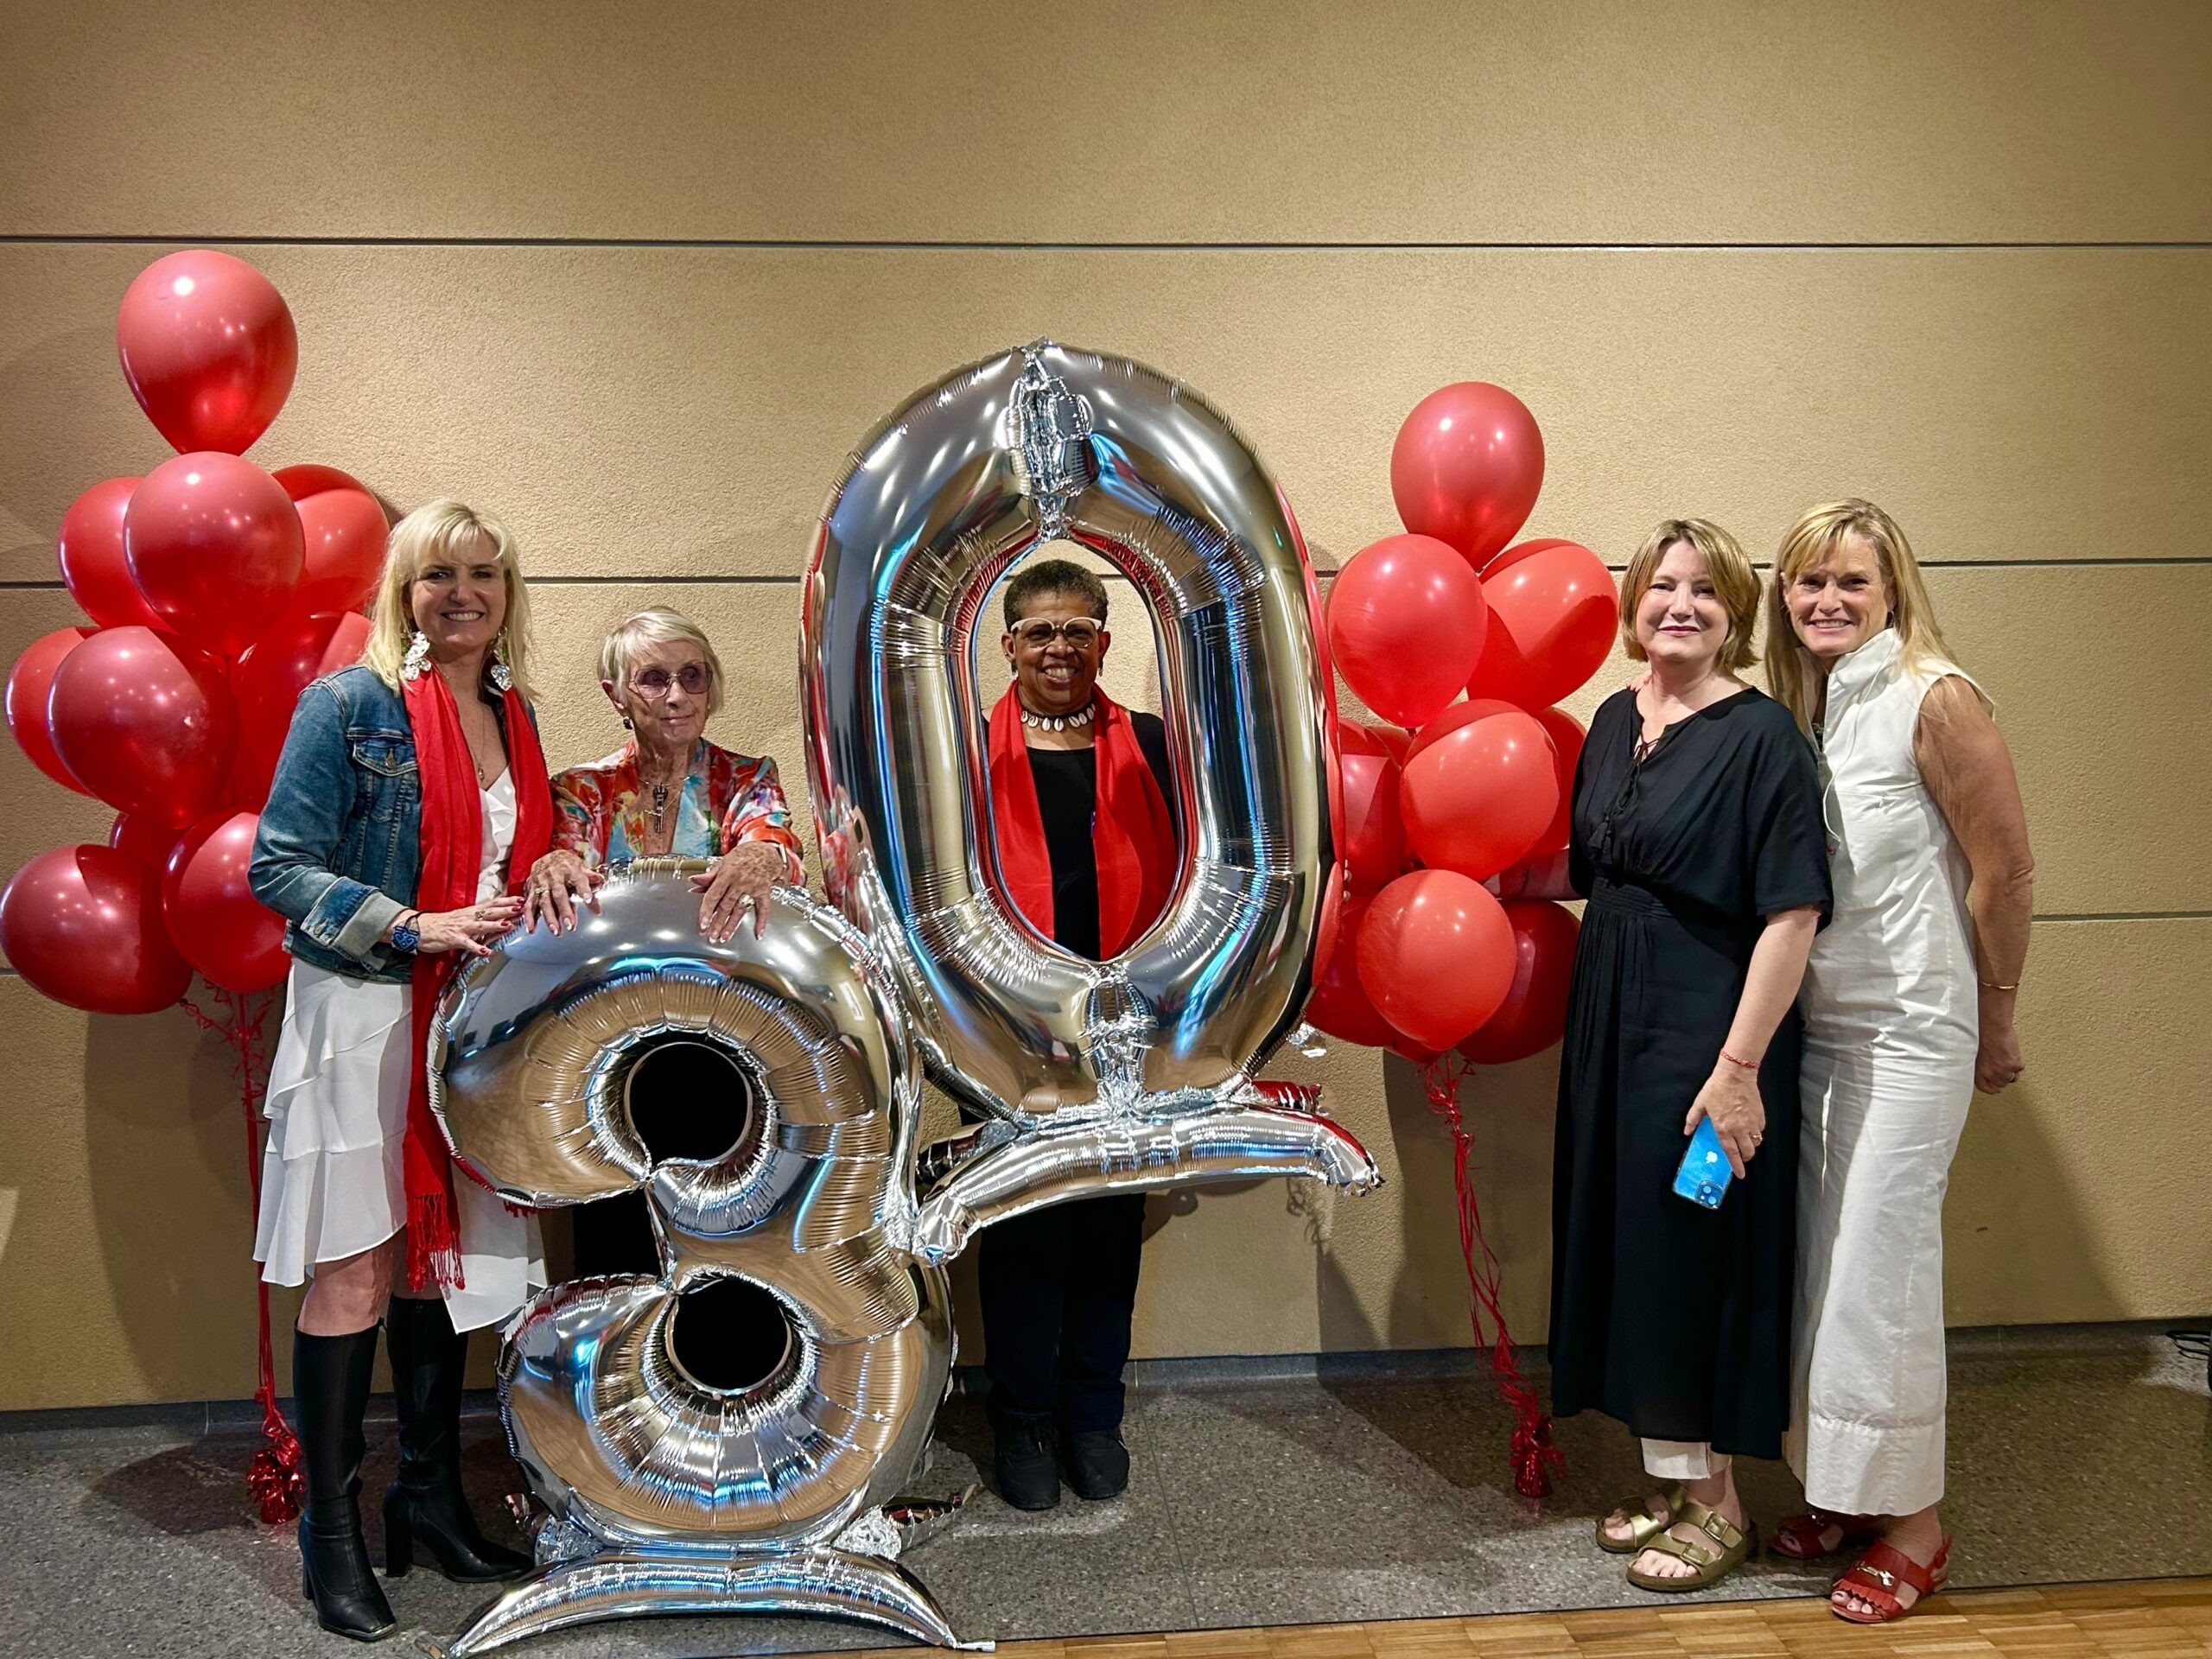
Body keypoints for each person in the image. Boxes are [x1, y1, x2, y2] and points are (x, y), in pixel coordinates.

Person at [250, 499, 553, 1641]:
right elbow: (277, 866)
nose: (462, 593)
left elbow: (513, 848)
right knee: (357, 1276)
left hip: (468, 1022)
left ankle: (428, 1499)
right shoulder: (349, 705)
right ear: (404, 590)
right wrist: (410, 925)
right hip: (366, 1013)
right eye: (438, 575)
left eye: (484, 573)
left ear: (509, 593)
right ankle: (332, 1538)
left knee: (442, 1270)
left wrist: (559, 845)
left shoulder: (512, 710)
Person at [1550, 518, 1830, 1593]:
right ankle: (1671, 1477)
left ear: (1736, 619)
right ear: (1634, 604)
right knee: (1628, 1241)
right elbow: (1587, 868)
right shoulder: (1616, 718)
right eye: (1662, 587)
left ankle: (1719, 1504)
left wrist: (1738, 1068)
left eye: (1706, 593)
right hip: (1611, 1027)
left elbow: (1794, 913)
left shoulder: (1763, 739)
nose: (1680, 606)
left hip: (1707, 1040)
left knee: (1690, 1237)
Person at [1766, 499, 2032, 1624]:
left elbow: (2005, 872)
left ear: (1894, 593)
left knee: (1880, 1280)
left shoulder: (1937, 697)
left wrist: (2000, 1014)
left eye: (1853, 583)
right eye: (1808, 582)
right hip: (1823, 1035)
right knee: (1822, 1275)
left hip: (1916, 1034)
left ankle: (1917, 1523)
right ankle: (1848, 1488)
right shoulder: (1810, 710)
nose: (1829, 600)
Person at [979, 557, 1178, 1510]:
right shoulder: (961, 753)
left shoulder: (1150, 743)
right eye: (1039, 632)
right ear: (1008, 644)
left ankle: (1093, 1417)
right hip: (1006, 1029)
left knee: (1110, 1227)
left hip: (1125, 1028)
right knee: (1021, 1227)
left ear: (1104, 640)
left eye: (1078, 630)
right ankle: (1020, 1422)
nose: (1060, 648)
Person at [524, 606, 804, 1278]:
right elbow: (565, 863)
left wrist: (764, 856)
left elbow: (778, 845)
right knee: (614, 1235)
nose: (676, 696)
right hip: (609, 1056)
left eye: (692, 677)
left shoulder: (748, 778)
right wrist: (552, 863)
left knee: (722, 1238)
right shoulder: (579, 789)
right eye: (652, 679)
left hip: (725, 1047)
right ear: (615, 693)